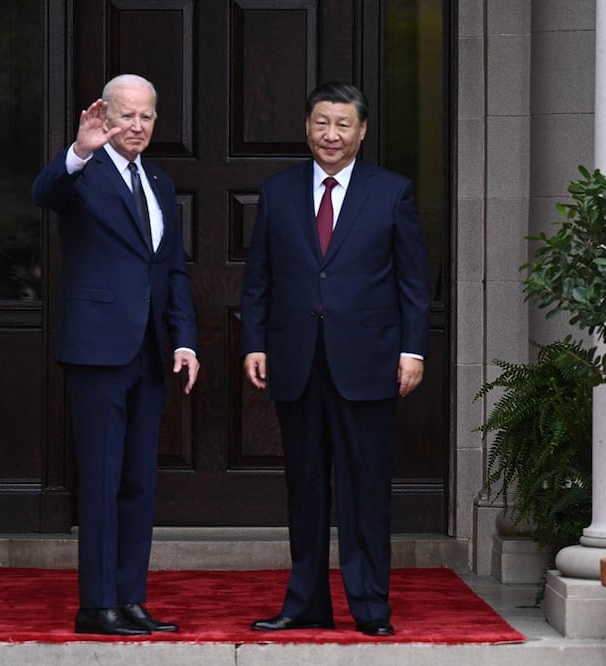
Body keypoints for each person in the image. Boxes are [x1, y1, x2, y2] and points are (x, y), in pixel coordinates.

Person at [239, 82, 431, 637]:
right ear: (306, 127)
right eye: (322, 123)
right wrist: (254, 341)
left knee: (365, 490)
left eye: (343, 125)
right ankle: (305, 603)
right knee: (304, 489)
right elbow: (259, 280)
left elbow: (414, 284)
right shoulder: (277, 192)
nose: (331, 134)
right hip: (296, 362)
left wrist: (412, 350)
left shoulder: (391, 192)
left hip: (368, 362)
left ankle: (370, 607)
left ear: (362, 131)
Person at [31, 74, 199, 636]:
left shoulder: (159, 181)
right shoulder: (84, 174)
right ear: (105, 117)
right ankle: (95, 604)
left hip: (149, 351)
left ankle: (130, 599)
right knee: (101, 479)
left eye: (147, 116)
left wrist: (184, 339)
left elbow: (172, 269)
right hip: (98, 349)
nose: (137, 126)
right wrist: (79, 149)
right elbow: (44, 192)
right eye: (126, 115)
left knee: (138, 483)